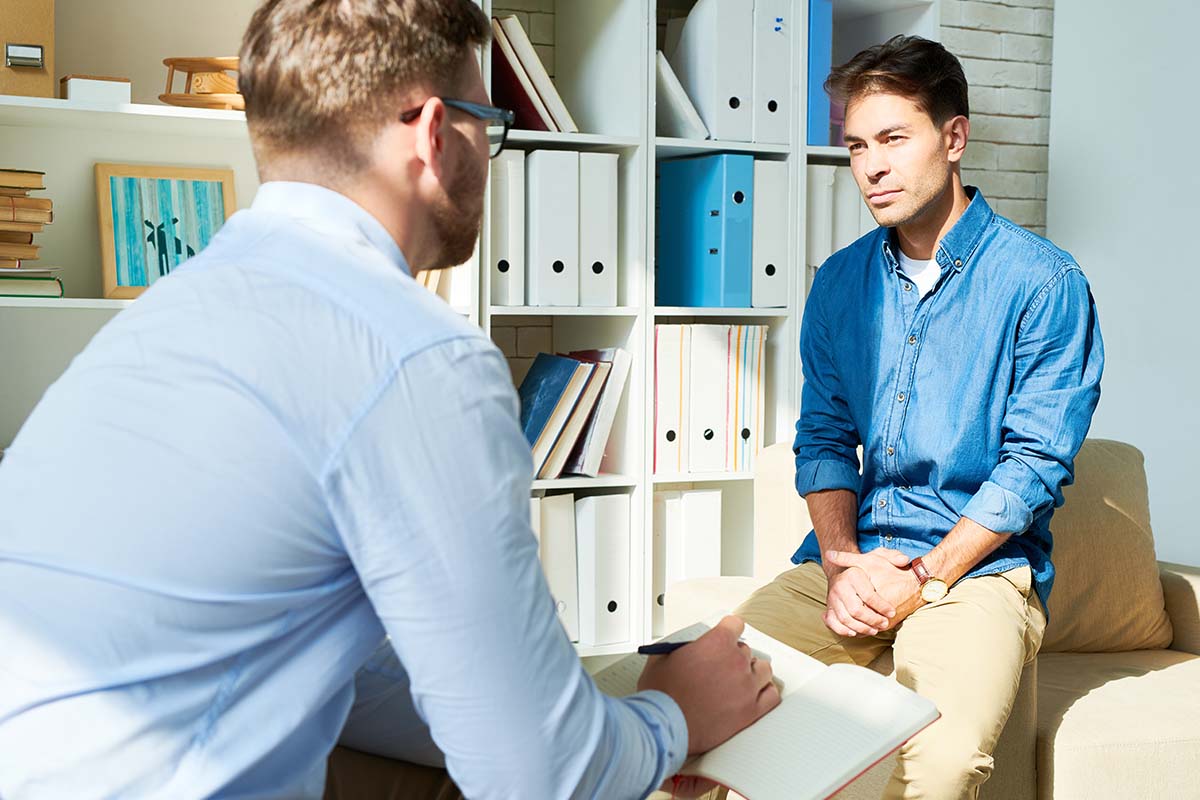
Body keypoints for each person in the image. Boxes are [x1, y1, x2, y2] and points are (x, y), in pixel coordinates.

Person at [0, 1, 779, 797]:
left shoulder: (168, 315)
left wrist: (571, 709)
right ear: (435, 133)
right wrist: (674, 716)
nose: (493, 152)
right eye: (493, 124)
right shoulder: (416, 355)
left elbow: (355, 675)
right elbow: (541, 780)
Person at [734, 35, 1103, 800]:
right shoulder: (839, 282)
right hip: (855, 558)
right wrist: (841, 561)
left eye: (895, 139)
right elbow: (827, 437)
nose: (871, 167)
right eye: (858, 145)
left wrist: (927, 578)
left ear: (955, 137)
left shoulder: (1043, 282)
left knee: (935, 760)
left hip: (979, 575)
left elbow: (1033, 464)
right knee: (696, 699)